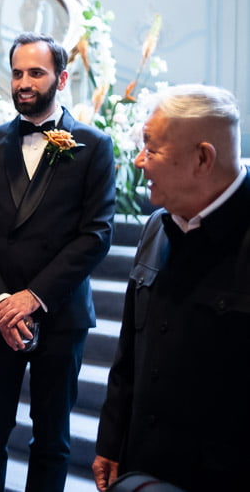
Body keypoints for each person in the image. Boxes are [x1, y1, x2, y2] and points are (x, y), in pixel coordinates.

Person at [0, 32, 116, 492]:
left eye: (36, 72)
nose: (24, 82)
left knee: (52, 438)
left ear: (62, 78)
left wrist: (33, 297)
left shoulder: (94, 144)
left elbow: (97, 234)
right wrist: (2, 300)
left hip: (59, 312)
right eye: (17, 72)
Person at [93, 84, 248, 492]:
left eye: (151, 148)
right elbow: (129, 353)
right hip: (141, 468)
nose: (139, 162)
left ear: (202, 158)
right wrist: (112, 441)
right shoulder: (156, 228)